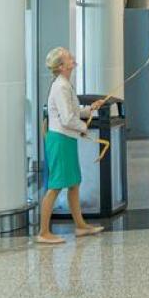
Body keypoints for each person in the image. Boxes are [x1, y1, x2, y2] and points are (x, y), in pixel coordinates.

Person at [37, 47, 105, 244]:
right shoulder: (61, 87)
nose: (72, 58)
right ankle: (43, 232)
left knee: (73, 183)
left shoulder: (65, 84)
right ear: (61, 66)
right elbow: (67, 119)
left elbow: (72, 112)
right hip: (60, 139)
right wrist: (84, 127)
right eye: (68, 56)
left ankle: (81, 226)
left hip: (65, 138)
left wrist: (90, 109)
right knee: (56, 185)